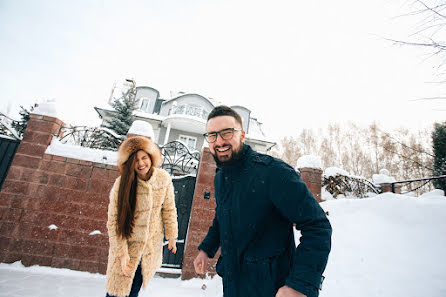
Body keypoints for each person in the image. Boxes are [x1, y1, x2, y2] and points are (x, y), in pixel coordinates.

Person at [193, 106, 332, 297]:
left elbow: (317, 226)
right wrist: (206, 249)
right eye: (212, 135)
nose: (219, 141)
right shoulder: (221, 177)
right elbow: (222, 217)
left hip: (272, 289)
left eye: (226, 133)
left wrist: (300, 284)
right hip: (233, 286)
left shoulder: (273, 172)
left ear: (242, 135)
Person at [105, 136, 178, 297]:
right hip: (126, 248)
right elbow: (113, 222)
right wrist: (122, 253)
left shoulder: (163, 179)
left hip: (148, 250)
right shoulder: (122, 183)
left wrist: (172, 236)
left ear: (151, 157)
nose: (141, 163)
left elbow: (169, 209)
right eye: (135, 160)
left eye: (144, 157)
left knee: (133, 292)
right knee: (116, 292)